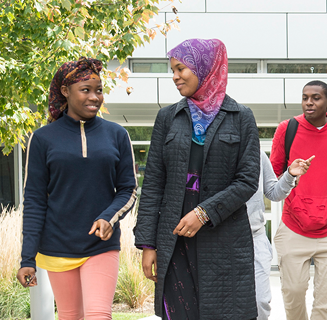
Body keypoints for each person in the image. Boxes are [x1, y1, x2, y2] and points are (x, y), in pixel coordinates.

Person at [134, 38, 261, 320]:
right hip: (174, 237)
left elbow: (248, 180)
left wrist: (203, 213)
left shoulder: (241, 117)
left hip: (224, 240)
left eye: (181, 69)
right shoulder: (167, 117)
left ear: (205, 68)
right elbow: (153, 183)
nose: (175, 77)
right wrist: (147, 244)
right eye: (173, 70)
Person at [17, 58, 137, 320]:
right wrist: (27, 259)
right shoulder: (42, 139)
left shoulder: (117, 135)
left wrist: (109, 217)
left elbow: (129, 189)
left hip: (101, 244)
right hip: (56, 245)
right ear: (65, 92)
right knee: (70, 316)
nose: (95, 97)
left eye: (99, 90)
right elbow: (35, 201)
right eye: (85, 90)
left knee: (98, 315)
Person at [269, 80, 327, 320]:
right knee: (293, 293)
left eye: (316, 98)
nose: (309, 102)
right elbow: (271, 177)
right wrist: (290, 173)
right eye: (305, 97)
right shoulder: (286, 129)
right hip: (293, 227)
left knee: (324, 305)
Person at [247, 153, 314, 320]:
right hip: (220, 238)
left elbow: (273, 192)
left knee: (260, 301)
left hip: (254, 238)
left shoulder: (257, 154)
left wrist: (290, 174)